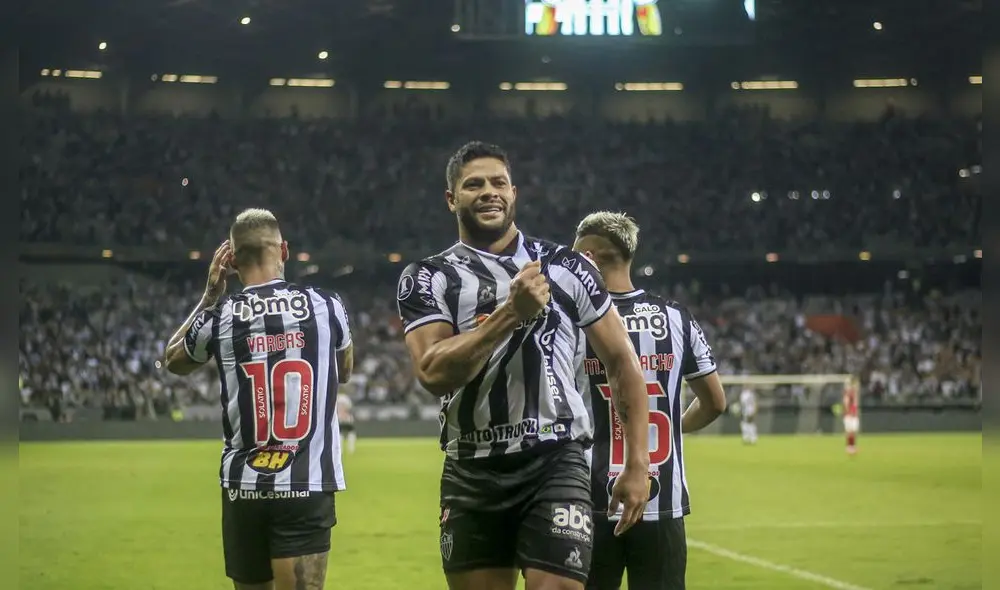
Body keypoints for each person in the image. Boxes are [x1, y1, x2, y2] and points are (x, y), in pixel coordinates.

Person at [396, 141, 652, 590]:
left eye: (498, 182)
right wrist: (511, 313)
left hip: (554, 459)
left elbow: (622, 361)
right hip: (471, 467)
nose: (488, 192)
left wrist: (636, 464)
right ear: (452, 199)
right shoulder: (427, 276)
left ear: (514, 193)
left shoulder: (568, 266)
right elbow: (433, 373)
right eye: (473, 184)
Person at [164, 208, 354, 590]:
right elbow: (344, 372)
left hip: (243, 486)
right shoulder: (327, 305)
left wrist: (208, 297)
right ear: (283, 251)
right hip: (305, 482)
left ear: (231, 261)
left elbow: (172, 359)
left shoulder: (220, 316)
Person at [572, 211, 727, 590]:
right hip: (662, 498)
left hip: (588, 499)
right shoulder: (677, 318)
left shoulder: (572, 321)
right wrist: (670, 432)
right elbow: (716, 403)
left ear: (589, 258)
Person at [843, 376, 860, 454]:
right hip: (849, 415)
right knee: (850, 431)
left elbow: (855, 404)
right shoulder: (848, 393)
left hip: (853, 414)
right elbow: (846, 403)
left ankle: (852, 446)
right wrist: (849, 412)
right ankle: (849, 447)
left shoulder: (854, 393)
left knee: (853, 432)